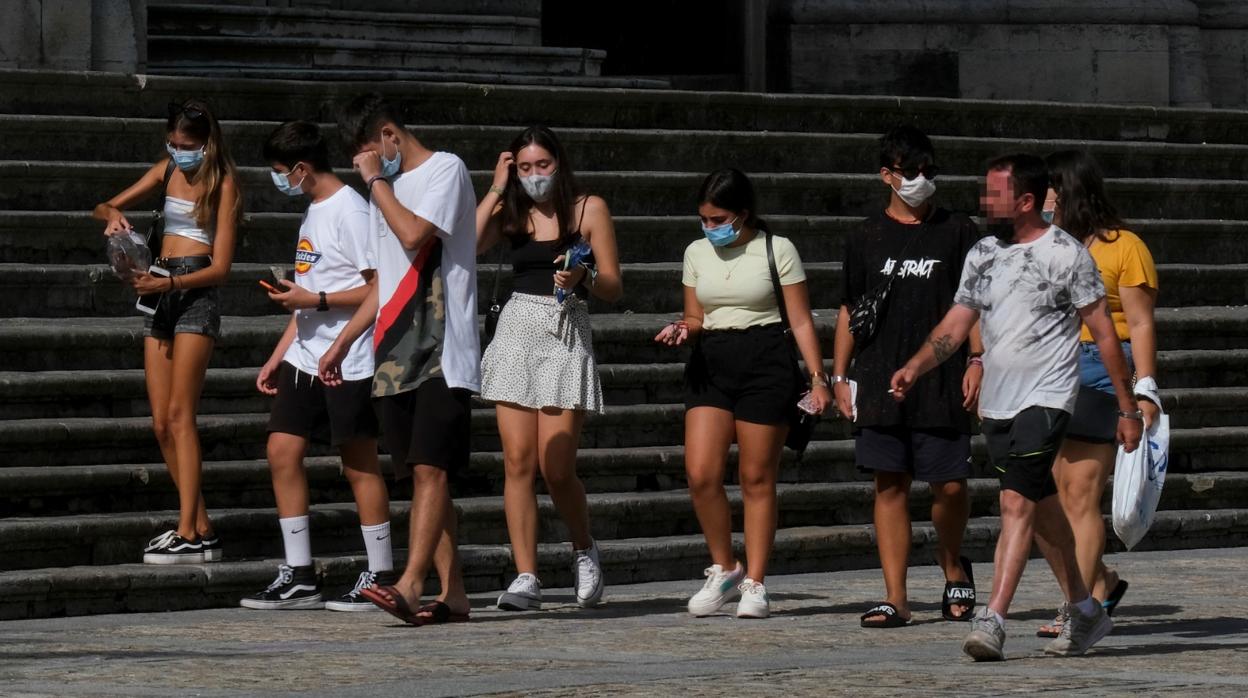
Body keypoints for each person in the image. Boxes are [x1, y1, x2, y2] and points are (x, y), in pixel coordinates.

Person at [890, 153, 1142, 661]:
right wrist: (916, 366)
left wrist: (1128, 406)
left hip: (1047, 399)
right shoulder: (984, 253)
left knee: (1014, 506)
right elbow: (956, 324)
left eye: (995, 195)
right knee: (1046, 516)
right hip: (997, 404)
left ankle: (994, 619)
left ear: (1025, 201)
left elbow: (1105, 333)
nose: (985, 203)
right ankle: (1087, 612)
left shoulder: (1067, 254)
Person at [321, 93, 477, 625]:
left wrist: (375, 182)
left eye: (369, 152)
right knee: (420, 474)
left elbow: (414, 234)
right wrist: (343, 340)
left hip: (442, 347)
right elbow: (385, 278)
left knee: (432, 466)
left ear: (390, 135)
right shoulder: (384, 191)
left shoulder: (444, 170)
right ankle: (453, 594)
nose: (366, 164)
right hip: (392, 350)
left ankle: (410, 585)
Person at [655, 168, 832, 619]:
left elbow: (801, 319)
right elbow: (695, 316)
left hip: (765, 358)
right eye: (704, 219)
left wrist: (817, 376)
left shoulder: (777, 249)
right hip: (712, 360)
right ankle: (725, 566)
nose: (710, 227)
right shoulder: (695, 252)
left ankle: (756, 580)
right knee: (701, 473)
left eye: (718, 219)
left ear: (743, 214)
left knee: (756, 477)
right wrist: (682, 328)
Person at [239, 121, 395, 611]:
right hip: (305, 355)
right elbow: (305, 294)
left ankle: (380, 572)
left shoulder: (351, 210)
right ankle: (300, 572)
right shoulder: (313, 210)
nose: (278, 179)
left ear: (303, 170)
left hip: (350, 354)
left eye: (280, 172)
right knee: (282, 451)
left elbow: (378, 286)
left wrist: (319, 299)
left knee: (358, 464)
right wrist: (278, 353)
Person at [834, 126, 983, 628]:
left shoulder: (960, 230)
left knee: (951, 487)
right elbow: (850, 308)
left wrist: (978, 359)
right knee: (889, 483)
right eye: (911, 171)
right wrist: (837, 374)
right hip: (878, 372)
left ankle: (951, 561)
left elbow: (975, 303)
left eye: (929, 171)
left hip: (941, 376)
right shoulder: (864, 236)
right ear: (887, 175)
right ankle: (896, 596)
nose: (922, 180)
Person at [475, 126, 623, 611]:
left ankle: (584, 549)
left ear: (559, 162)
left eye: (542, 165)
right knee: (517, 460)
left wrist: (585, 275)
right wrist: (497, 186)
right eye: (524, 167)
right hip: (517, 329)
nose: (534, 175)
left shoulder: (588, 208)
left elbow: (614, 286)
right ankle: (526, 575)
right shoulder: (509, 210)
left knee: (555, 466)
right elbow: (471, 244)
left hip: (565, 329)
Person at [93, 99, 241, 564]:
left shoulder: (224, 183)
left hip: (193, 290)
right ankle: (201, 526)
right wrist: (112, 217)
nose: (179, 153)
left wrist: (171, 281)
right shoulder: (166, 170)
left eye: (188, 146)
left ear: (207, 142)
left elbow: (221, 268)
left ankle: (187, 531)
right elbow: (106, 203)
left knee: (181, 414)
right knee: (161, 421)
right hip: (157, 291)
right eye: (174, 145)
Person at [1033, 150, 1159, 637]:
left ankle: (1075, 609)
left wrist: (1144, 390)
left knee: (1080, 496)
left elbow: (1142, 322)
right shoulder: (1047, 244)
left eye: (1050, 188)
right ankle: (1100, 582)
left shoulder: (1125, 247)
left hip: (1102, 371)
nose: (1042, 198)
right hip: (1050, 370)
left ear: (1071, 191)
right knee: (1052, 498)